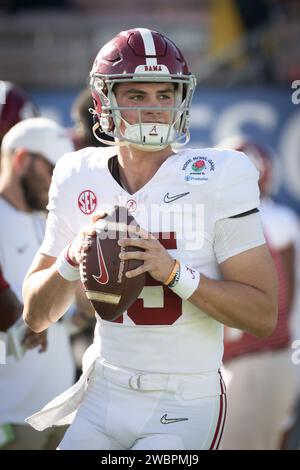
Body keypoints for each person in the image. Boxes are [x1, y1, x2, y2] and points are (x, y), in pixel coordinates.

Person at [23, 28, 278, 451]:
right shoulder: (76, 173)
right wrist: (72, 255)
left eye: (165, 94)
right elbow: (35, 315)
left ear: (182, 99)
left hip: (183, 402)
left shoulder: (218, 176)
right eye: (137, 95)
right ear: (104, 101)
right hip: (102, 391)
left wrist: (174, 272)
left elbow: (262, 313)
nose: (156, 109)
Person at [217, 137, 299, 449]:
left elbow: (269, 312)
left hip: (253, 359)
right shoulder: (283, 219)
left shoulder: (264, 223)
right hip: (279, 359)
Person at [0, 117, 75, 449]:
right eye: (52, 169)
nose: (57, 182)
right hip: (12, 415)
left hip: (60, 411)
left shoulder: (49, 221)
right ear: (21, 160)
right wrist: (19, 323)